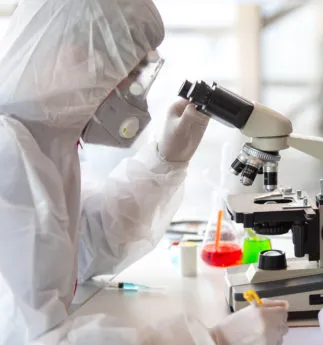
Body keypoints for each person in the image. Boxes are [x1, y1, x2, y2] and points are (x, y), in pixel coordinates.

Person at [0, 0, 290, 344]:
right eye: (128, 71)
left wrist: (164, 161)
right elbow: (33, 338)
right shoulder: (9, 155)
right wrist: (210, 339)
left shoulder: (45, 140)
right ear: (77, 57)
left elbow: (80, 248)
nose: (130, 92)